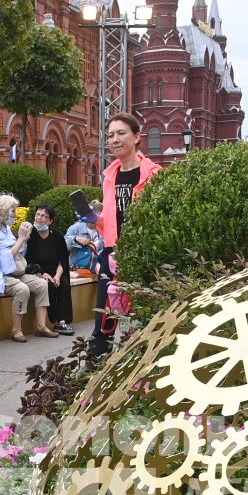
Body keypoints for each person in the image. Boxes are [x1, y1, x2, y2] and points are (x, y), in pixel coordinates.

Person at [87, 115, 163, 362]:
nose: (114, 139)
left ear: (137, 137)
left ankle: (142, 370)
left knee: (140, 317)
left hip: (141, 254)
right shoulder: (110, 176)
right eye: (110, 135)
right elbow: (111, 219)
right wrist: (92, 218)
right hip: (111, 253)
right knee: (103, 319)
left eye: (121, 133)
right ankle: (94, 374)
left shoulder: (153, 174)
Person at [0, 193, 56, 342]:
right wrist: (20, 238)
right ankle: (16, 330)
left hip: (13, 272)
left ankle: (40, 326)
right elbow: (0, 261)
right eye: (13, 211)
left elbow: (18, 254)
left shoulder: (5, 229)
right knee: (22, 289)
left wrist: (24, 238)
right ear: (2, 211)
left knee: (41, 284)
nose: (15, 214)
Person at [24, 203, 75, 334]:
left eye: (44, 216)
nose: (39, 218)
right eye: (38, 215)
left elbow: (62, 260)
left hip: (56, 270)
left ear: (50, 220)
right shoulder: (30, 236)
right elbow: (28, 260)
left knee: (63, 284)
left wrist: (58, 275)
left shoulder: (57, 236)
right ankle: (55, 321)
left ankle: (63, 321)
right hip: (37, 272)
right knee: (49, 285)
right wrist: (42, 273)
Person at [66, 204, 102, 281]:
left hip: (95, 271)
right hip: (77, 270)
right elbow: (63, 244)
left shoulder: (101, 230)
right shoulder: (75, 228)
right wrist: (75, 238)